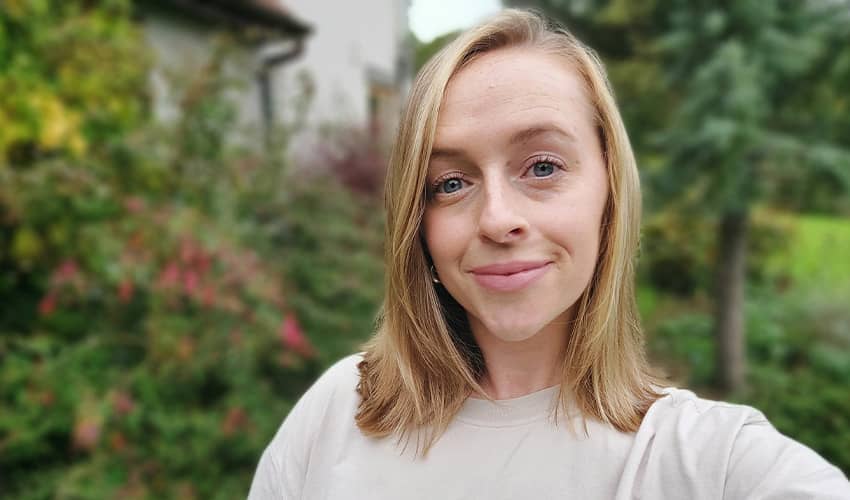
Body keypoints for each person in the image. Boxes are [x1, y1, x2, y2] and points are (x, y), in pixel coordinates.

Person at [248, 9, 850, 499]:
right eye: (450, 183)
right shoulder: (338, 413)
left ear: (610, 193)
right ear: (418, 223)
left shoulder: (708, 463)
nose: (497, 219)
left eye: (542, 167)